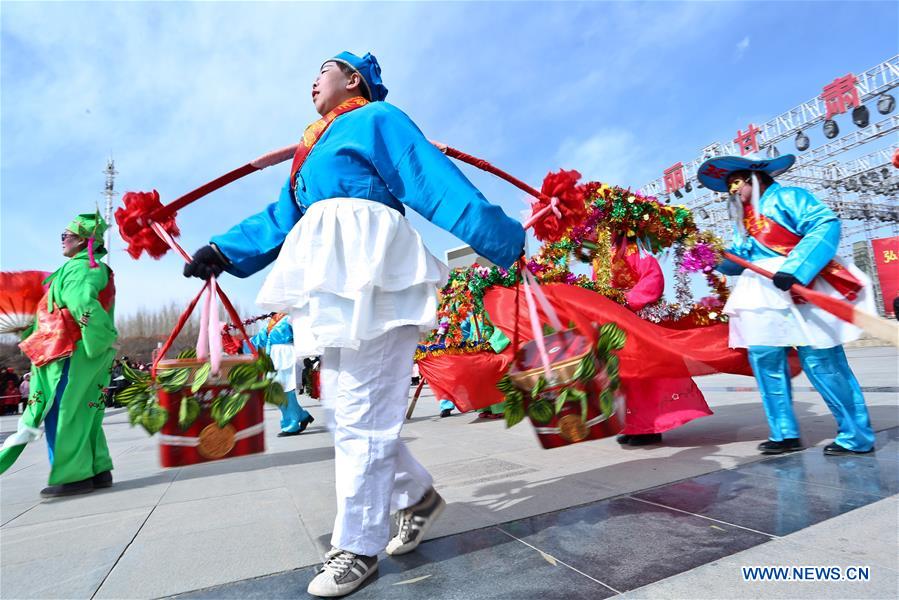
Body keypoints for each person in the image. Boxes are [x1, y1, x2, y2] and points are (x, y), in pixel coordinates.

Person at [183, 51, 525, 597]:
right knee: (345, 411)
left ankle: (357, 546)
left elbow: (431, 179)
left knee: (362, 408)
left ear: (353, 78)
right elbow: (282, 218)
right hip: (329, 275)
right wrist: (221, 250)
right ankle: (415, 497)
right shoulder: (308, 150)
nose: (311, 79)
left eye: (322, 68)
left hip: (375, 271)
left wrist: (502, 238)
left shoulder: (377, 119)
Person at [699, 153, 876, 456]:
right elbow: (739, 260)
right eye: (729, 187)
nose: (733, 191)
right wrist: (712, 255)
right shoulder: (743, 222)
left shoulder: (791, 197)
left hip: (797, 283)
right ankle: (784, 433)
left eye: (737, 183)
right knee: (766, 362)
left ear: (755, 177)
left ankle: (855, 434)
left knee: (823, 362)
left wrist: (797, 268)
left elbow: (825, 224)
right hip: (759, 294)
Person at [0, 213, 117, 497]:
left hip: (71, 352)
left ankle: (73, 474)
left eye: (67, 236)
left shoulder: (80, 269)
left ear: (85, 241)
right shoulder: (86, 268)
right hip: (83, 350)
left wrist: (98, 340)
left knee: (63, 410)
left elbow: (81, 303)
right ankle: (98, 469)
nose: (62, 240)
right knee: (86, 410)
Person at [608, 246, 712, 446]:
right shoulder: (603, 255)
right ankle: (633, 426)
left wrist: (625, 300)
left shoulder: (637, 252)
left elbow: (653, 279)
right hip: (617, 324)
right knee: (625, 379)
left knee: (644, 379)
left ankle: (649, 428)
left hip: (638, 322)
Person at [251, 313, 315, 436]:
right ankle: (302, 415)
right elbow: (260, 340)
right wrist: (238, 344)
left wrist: (308, 354)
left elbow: (303, 334)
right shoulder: (272, 320)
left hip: (286, 356)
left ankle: (291, 425)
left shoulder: (291, 315)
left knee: (284, 392)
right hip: (274, 357)